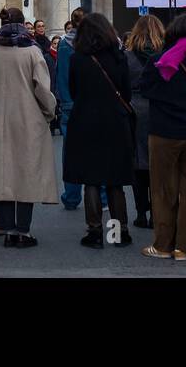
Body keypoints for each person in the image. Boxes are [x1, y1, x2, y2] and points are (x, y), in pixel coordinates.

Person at [139, 13, 186, 261]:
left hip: (164, 133)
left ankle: (162, 246)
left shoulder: (158, 60)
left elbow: (145, 89)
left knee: (162, 190)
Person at [0, 7, 59, 247]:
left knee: (4, 172)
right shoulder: (32, 52)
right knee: (26, 172)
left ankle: (8, 231)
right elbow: (42, 88)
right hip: (28, 117)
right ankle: (23, 231)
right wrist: (49, 111)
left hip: (0, 117)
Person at [65, 13, 135, 248]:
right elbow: (127, 91)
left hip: (85, 120)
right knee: (115, 179)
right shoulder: (119, 57)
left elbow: (73, 90)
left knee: (91, 179)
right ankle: (119, 231)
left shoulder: (78, 59)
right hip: (115, 120)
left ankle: (94, 232)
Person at [123, 13, 165, 228]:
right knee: (158, 163)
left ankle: (141, 211)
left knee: (138, 163)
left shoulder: (128, 56)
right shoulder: (164, 54)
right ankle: (157, 212)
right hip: (159, 108)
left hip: (134, 109)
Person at [54, 7, 86, 209]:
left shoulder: (64, 45)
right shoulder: (96, 43)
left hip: (69, 103)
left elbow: (61, 77)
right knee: (95, 149)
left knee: (70, 153)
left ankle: (72, 196)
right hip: (91, 103)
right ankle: (101, 195)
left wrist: (63, 101)